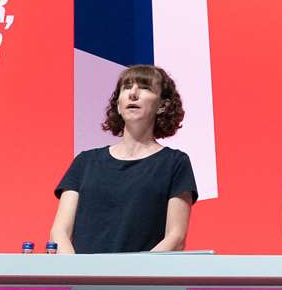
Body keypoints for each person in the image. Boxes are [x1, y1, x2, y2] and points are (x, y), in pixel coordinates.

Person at [52, 65, 196, 253]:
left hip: (143, 279)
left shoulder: (175, 163)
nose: (133, 94)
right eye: (126, 87)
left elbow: (175, 237)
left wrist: (134, 274)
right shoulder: (85, 162)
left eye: (145, 87)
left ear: (162, 105)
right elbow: (60, 231)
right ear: (118, 105)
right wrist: (78, 274)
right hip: (84, 279)